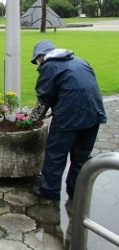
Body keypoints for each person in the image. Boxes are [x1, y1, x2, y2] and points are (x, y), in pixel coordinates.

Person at [30, 39, 106, 200]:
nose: (38, 64)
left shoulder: (49, 66)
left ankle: (49, 191)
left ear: (41, 57)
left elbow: (44, 98)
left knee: (56, 154)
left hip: (68, 117)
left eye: (37, 61)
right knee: (82, 156)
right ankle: (77, 192)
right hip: (94, 114)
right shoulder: (80, 61)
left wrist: (30, 121)